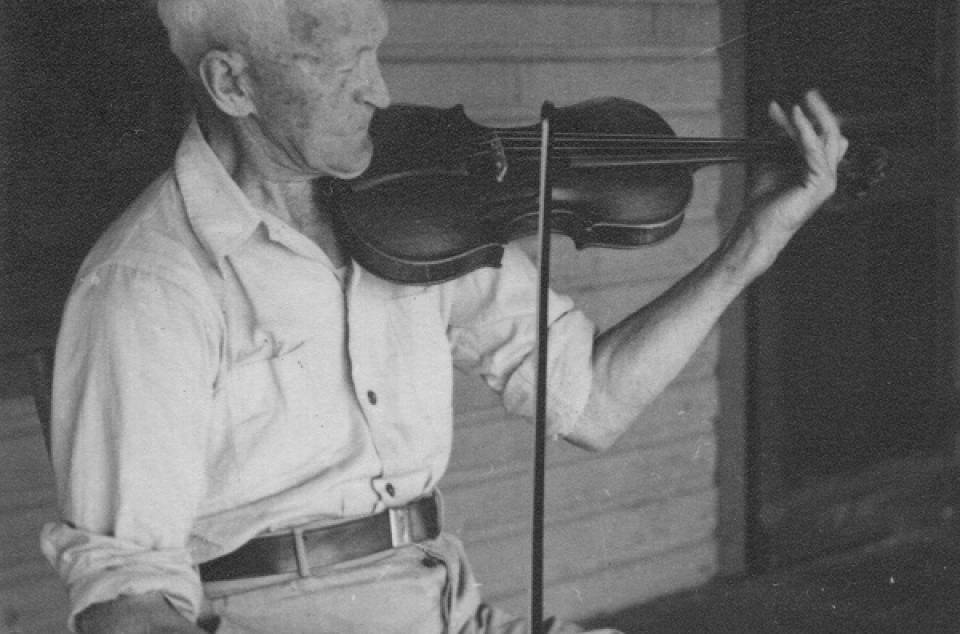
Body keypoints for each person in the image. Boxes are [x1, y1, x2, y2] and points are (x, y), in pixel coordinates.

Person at [39, 0, 848, 632]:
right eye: (343, 63)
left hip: (447, 608)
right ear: (232, 84)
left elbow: (593, 398)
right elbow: (128, 605)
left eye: (377, 50)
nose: (381, 91)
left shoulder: (410, 205)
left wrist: (753, 244)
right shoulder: (150, 285)